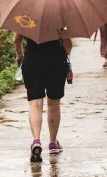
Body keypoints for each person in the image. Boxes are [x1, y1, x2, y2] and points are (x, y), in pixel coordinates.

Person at [14, 33, 73, 163]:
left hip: (32, 62)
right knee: (53, 104)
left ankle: (36, 140)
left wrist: (20, 56)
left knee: (35, 104)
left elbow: (16, 40)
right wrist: (65, 56)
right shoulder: (59, 18)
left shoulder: (26, 16)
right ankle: (53, 143)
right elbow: (68, 44)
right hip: (56, 63)